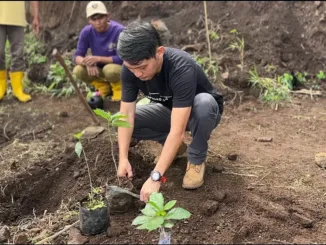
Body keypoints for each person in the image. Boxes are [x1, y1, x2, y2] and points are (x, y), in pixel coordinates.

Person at [116, 21, 224, 202]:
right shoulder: (131, 70)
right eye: (131, 68)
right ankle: (173, 148)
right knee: (119, 121)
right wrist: (123, 158)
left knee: (204, 103)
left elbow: (178, 130)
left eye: (142, 67)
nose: (138, 75)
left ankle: (196, 159)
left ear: (159, 53)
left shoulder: (181, 67)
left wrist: (155, 176)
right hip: (170, 110)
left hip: (201, 112)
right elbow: (126, 115)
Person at [73, 1, 124, 102]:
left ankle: (120, 88)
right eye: (94, 19)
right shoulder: (86, 32)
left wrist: (98, 59)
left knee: (110, 70)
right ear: (89, 20)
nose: (98, 22)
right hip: (99, 70)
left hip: (119, 69)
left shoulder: (119, 31)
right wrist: (87, 62)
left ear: (107, 16)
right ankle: (103, 87)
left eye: (101, 17)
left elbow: (123, 59)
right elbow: (77, 56)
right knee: (78, 70)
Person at [0, 1, 40, 102]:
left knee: (18, 53)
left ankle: (17, 90)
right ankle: (1, 87)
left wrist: (36, 17)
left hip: (17, 18)